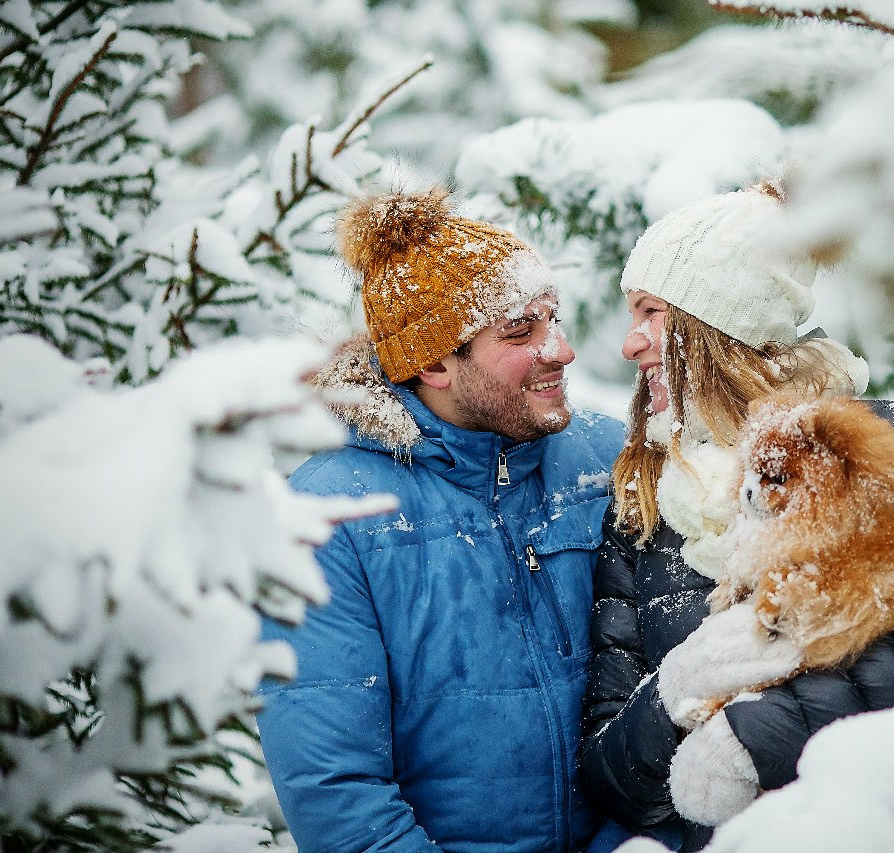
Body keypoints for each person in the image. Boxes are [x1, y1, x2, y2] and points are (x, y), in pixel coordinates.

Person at [579, 183, 894, 851]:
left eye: (652, 312)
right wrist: (676, 693)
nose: (631, 343)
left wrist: (750, 737)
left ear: (721, 323)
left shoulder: (878, 441)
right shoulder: (646, 502)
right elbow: (607, 770)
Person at [256, 189, 624, 853]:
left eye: (552, 319)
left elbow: (673, 686)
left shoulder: (604, 459)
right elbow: (337, 788)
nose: (560, 350)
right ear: (431, 363)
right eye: (520, 330)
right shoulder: (332, 518)